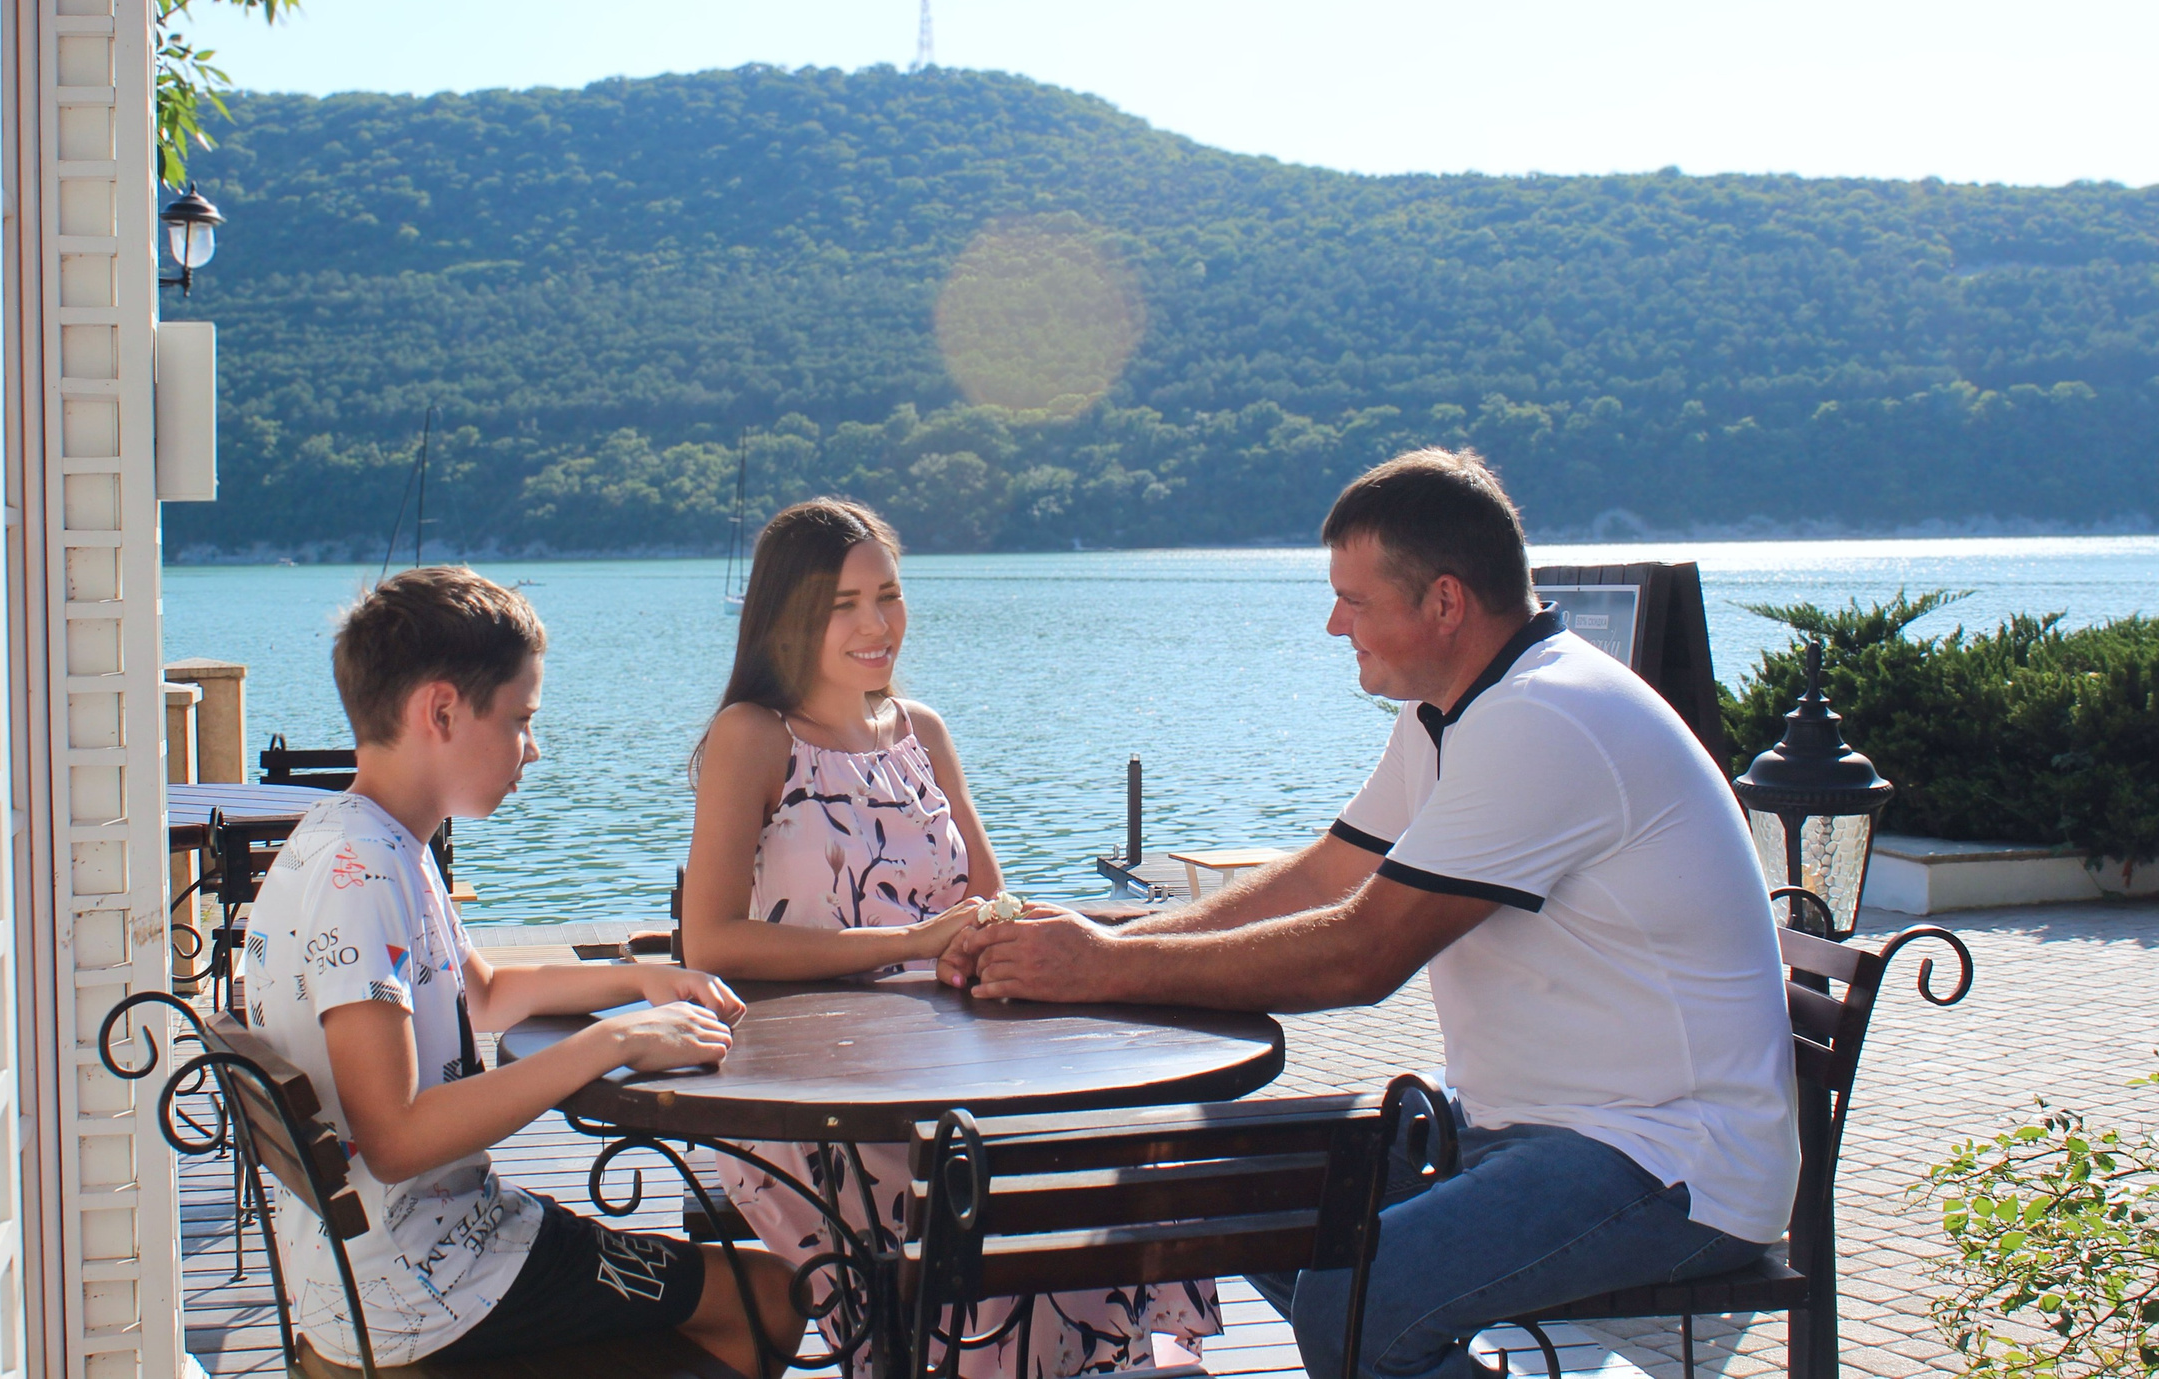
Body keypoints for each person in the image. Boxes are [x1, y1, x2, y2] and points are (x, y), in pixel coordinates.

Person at [940, 449, 1800, 1379]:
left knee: (1358, 1304)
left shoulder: (1545, 717)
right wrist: (1100, 944)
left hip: (1667, 1161)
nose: (1332, 622)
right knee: (1216, 1191)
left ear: (1445, 601)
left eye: (1355, 600)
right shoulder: (1454, 712)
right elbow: (1322, 877)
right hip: (1516, 1124)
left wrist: (1097, 969)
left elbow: (1363, 951)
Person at [683, 498, 1220, 1377]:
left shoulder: (920, 730)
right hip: (813, 1095)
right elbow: (709, 942)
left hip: (957, 1068)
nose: (875, 623)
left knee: (1085, 1178)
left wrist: (991, 937)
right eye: (841, 604)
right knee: (984, 1234)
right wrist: (913, 941)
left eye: (887, 594)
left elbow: (989, 900)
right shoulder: (755, 736)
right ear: (788, 617)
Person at [241, 566, 804, 1376]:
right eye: (520, 718)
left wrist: (641, 982)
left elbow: (487, 990)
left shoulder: (369, 836)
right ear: (440, 709)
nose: (532, 749)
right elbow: (396, 1136)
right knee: (773, 1296)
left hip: (387, 1274)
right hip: (434, 1287)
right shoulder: (360, 878)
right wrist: (610, 1041)